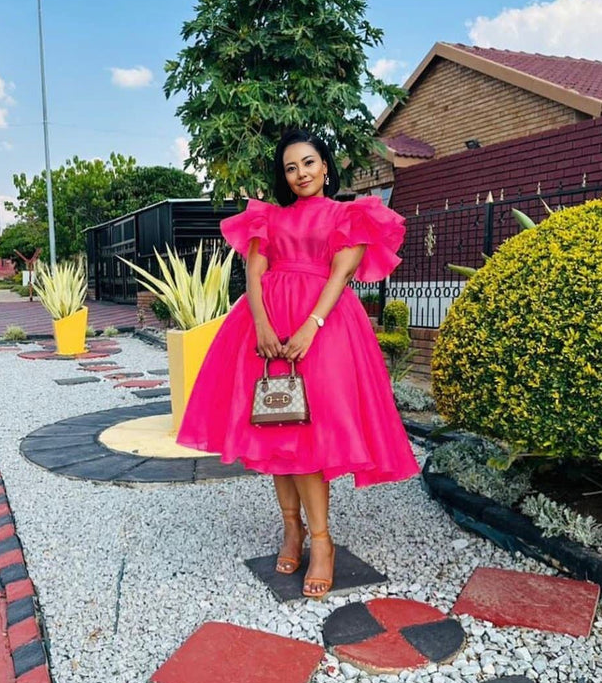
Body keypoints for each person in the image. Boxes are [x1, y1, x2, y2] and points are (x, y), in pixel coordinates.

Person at [176, 129, 420, 599]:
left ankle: (322, 542)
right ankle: (293, 531)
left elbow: (342, 273)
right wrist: (263, 325)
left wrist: (311, 326)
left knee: (309, 439)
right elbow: (253, 274)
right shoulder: (267, 218)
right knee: (274, 432)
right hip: (263, 328)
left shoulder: (349, 214)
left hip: (324, 331)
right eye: (291, 167)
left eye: (308, 163)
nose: (301, 173)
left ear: (325, 166)